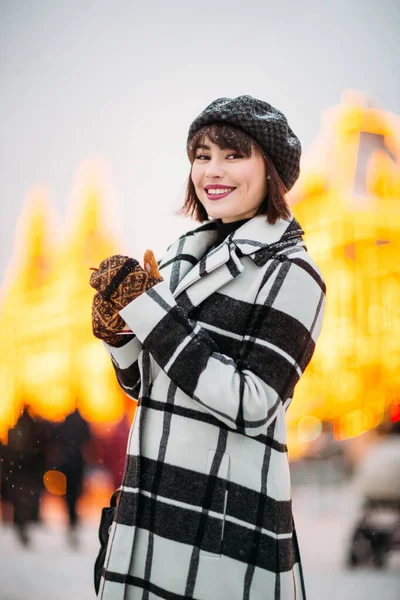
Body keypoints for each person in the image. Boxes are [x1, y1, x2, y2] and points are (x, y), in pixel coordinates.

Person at [90, 95, 326, 599]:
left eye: (233, 155)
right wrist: (120, 338)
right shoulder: (180, 259)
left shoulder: (294, 274)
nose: (212, 171)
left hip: (226, 528)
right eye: (201, 155)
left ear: (272, 173)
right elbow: (147, 389)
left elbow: (251, 405)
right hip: (150, 508)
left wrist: (150, 312)